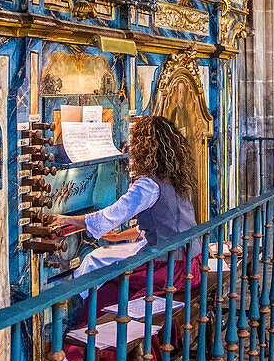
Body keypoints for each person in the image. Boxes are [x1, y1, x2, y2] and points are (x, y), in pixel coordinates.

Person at [48, 115, 199, 293]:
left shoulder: (149, 185)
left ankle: (84, 317)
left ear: (143, 148)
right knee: (99, 257)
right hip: (192, 261)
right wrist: (116, 237)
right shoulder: (178, 178)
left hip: (171, 269)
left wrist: (66, 220)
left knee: (99, 272)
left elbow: (106, 219)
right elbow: (163, 223)